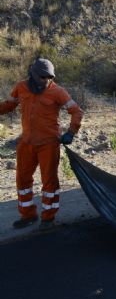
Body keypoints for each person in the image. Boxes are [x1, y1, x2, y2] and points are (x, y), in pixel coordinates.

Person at [0, 58, 83, 230]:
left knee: (49, 182)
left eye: (49, 77)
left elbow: (76, 111)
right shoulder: (21, 87)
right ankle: (28, 215)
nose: (46, 80)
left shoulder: (58, 92)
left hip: (49, 144)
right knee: (22, 180)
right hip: (27, 142)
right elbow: (10, 105)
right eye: (43, 77)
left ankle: (48, 218)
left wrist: (71, 132)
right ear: (33, 74)